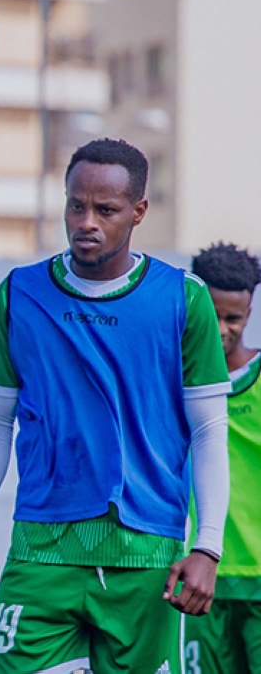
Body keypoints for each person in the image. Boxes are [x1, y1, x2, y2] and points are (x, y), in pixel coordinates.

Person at [0, 138, 231, 673]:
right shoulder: (20, 294)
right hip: (41, 548)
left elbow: (210, 430)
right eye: (76, 205)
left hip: (145, 556)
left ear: (138, 212)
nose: (87, 222)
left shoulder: (183, 299)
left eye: (106, 210)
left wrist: (207, 547)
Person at [185, 242, 261, 673]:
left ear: (249, 315)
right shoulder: (170, 382)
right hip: (198, 577)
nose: (220, 328)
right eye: (211, 314)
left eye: (233, 318)